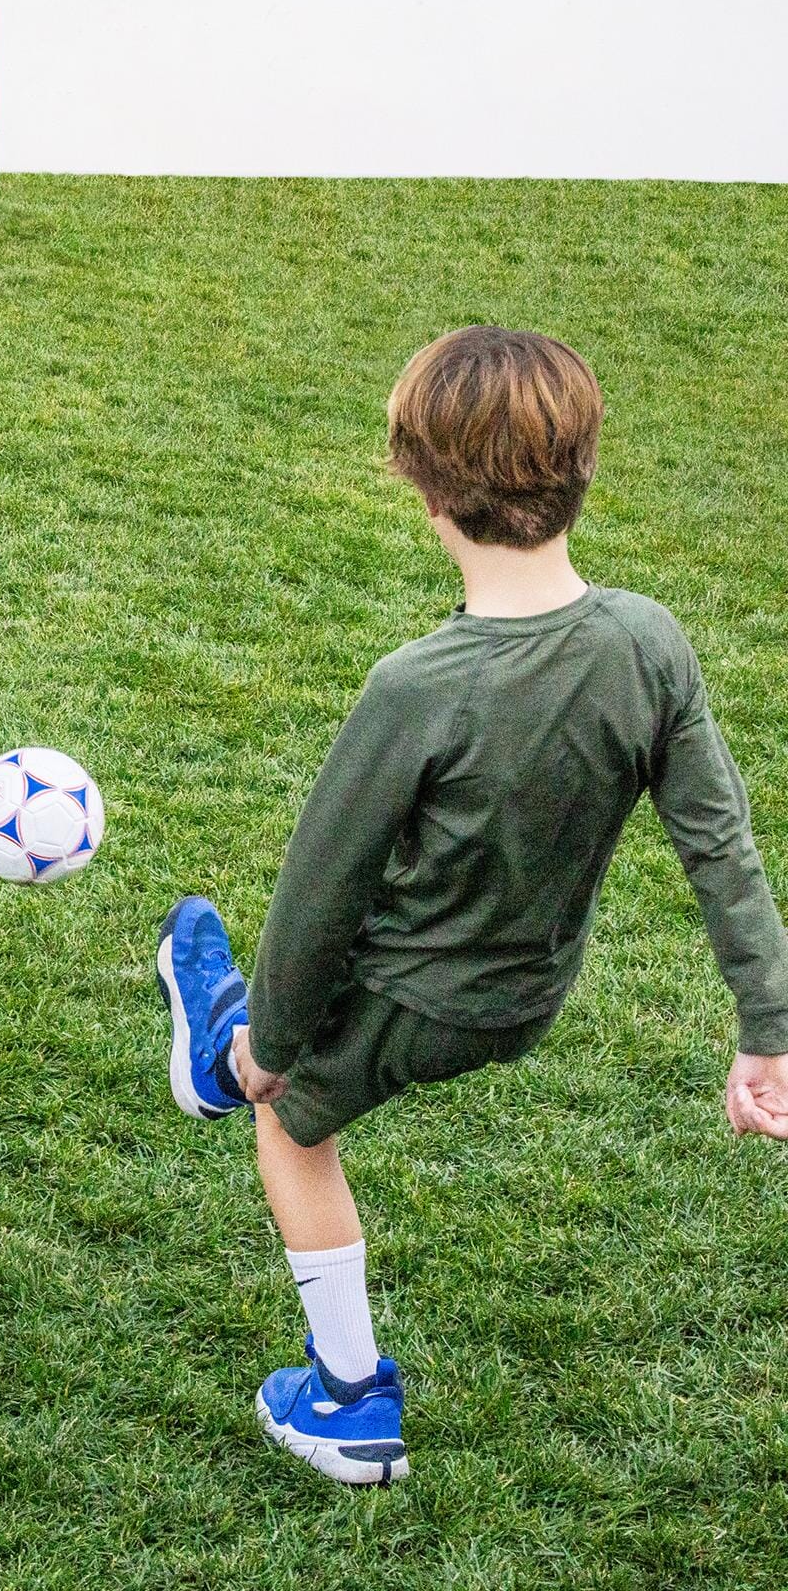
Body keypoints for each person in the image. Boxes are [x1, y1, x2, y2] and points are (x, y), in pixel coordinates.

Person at [156, 325, 788, 1486]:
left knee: (286, 1121)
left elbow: (315, 899)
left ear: (421, 487)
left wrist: (277, 1050)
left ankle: (344, 1398)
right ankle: (219, 1033)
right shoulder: (647, 641)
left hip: (410, 997)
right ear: (584, 466)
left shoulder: (415, 687)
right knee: (264, 1030)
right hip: (526, 997)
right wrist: (768, 1034)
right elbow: (720, 848)